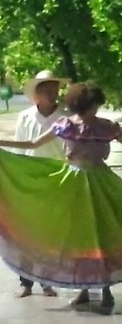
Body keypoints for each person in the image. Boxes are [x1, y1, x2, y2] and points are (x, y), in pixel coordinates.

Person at [0, 82, 122, 308]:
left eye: (97, 106)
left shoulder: (106, 126)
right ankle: (84, 290)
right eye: (92, 106)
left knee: (103, 235)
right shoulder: (66, 124)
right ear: (82, 105)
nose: (95, 110)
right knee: (79, 238)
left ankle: (105, 289)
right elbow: (33, 143)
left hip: (101, 182)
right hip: (73, 183)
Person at [9, 70, 70, 298]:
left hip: (56, 180)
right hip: (30, 180)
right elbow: (19, 149)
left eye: (54, 89)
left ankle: (47, 280)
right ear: (37, 93)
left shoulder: (65, 118)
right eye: (46, 89)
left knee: (49, 235)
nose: (51, 93)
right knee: (26, 234)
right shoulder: (25, 117)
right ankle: (26, 282)